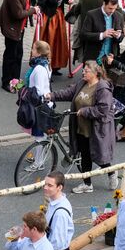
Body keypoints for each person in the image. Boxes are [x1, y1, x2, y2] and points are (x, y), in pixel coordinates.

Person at [49, 61, 117, 190]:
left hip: (96, 129)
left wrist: (85, 111)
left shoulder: (102, 89)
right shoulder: (82, 83)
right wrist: (51, 96)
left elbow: (103, 109)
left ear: (95, 73)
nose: (83, 72)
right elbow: (69, 93)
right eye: (83, 70)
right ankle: (87, 184)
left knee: (98, 156)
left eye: (86, 71)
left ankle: (112, 172)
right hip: (81, 127)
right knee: (85, 155)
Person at [0, 0, 38, 92]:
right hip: (12, 27)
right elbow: (18, 14)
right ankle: (6, 82)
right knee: (11, 55)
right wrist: (33, 10)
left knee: (18, 53)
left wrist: (29, 8)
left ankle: (15, 80)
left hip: (18, 27)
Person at [66, 0, 109, 66]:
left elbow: (77, 9)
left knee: (87, 60)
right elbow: (118, 14)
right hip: (101, 35)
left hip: (86, 32)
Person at [35, 0, 71, 73]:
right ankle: (45, 67)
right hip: (48, 16)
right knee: (48, 40)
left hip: (59, 16)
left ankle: (55, 66)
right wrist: (37, 12)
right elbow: (41, 3)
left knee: (58, 41)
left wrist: (68, 0)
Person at [42, 172, 74, 250]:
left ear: (59, 187)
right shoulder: (54, 202)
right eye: (45, 184)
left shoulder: (60, 213)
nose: (45, 187)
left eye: (50, 185)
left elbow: (57, 242)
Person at [80, 0, 125, 68]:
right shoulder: (91, 14)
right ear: (104, 3)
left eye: (114, 8)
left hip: (110, 60)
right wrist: (102, 35)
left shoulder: (119, 16)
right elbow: (83, 35)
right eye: (110, 8)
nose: (112, 11)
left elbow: (124, 37)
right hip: (93, 58)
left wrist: (118, 35)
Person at [26, 40, 52, 118]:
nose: (31, 50)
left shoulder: (39, 69)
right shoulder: (45, 64)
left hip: (38, 107)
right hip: (43, 104)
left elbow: (39, 91)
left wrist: (22, 90)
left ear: (39, 53)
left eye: (33, 49)